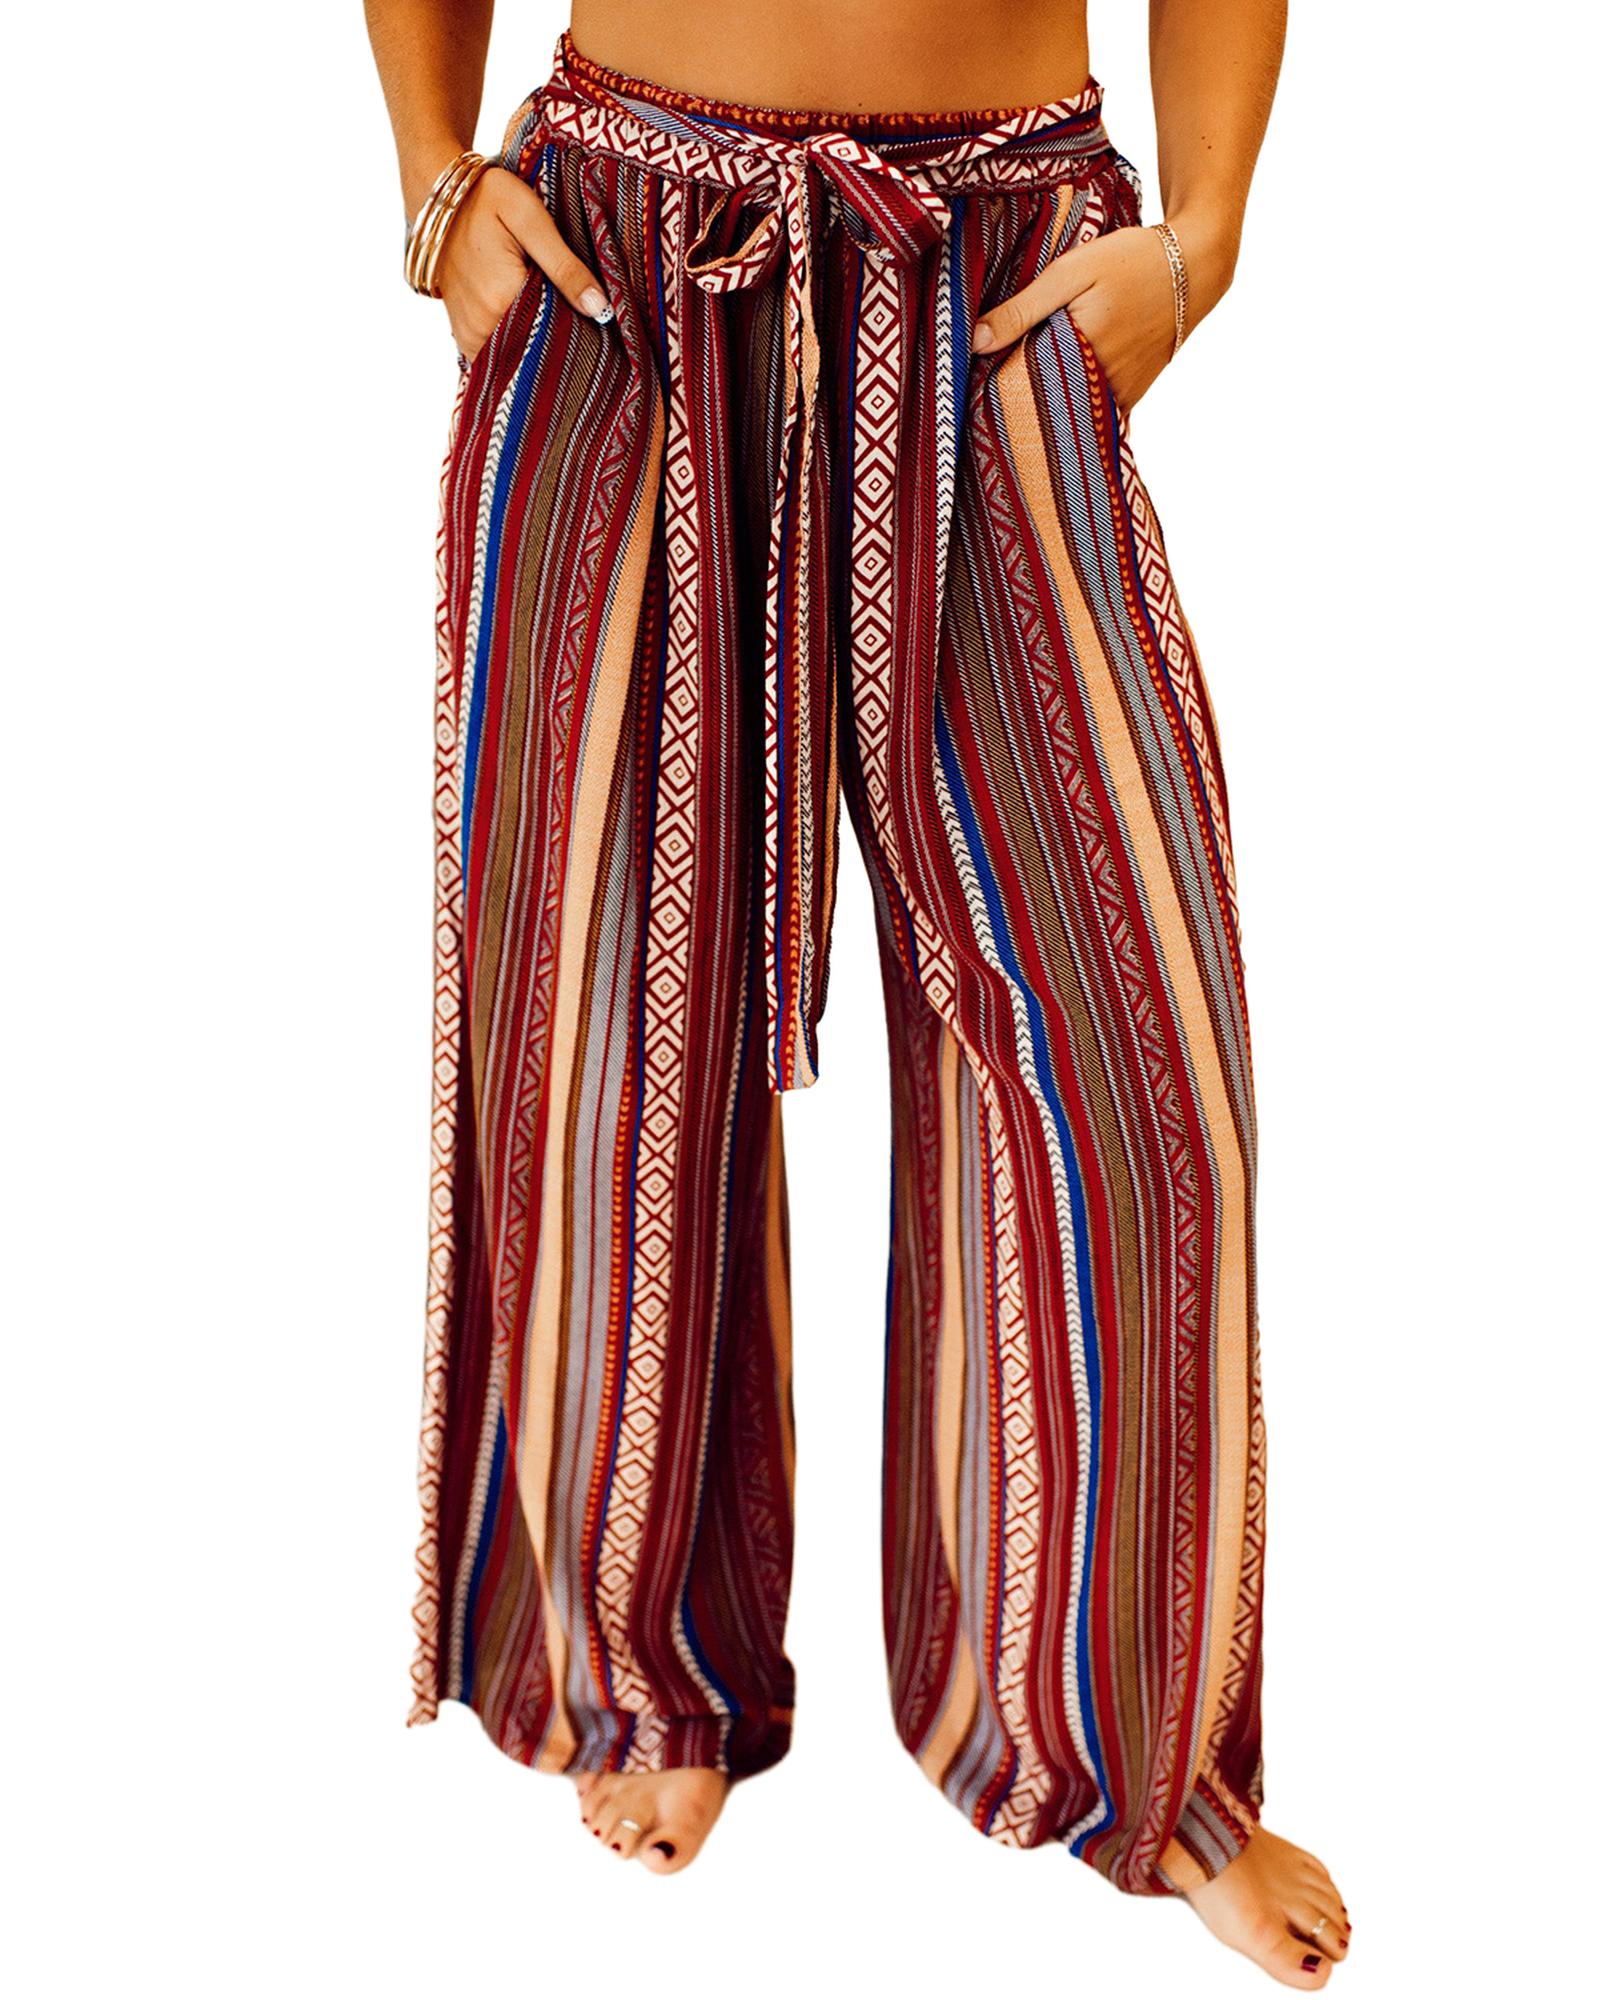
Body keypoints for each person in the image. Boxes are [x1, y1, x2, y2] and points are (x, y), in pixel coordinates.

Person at [365, 0, 1351, 1985]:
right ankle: (640, 1664)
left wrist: (1205, 235)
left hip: (1002, 273)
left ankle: (1113, 1740)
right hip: (621, 255)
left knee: (1131, 1069)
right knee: (603, 1024)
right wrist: (430, 180)